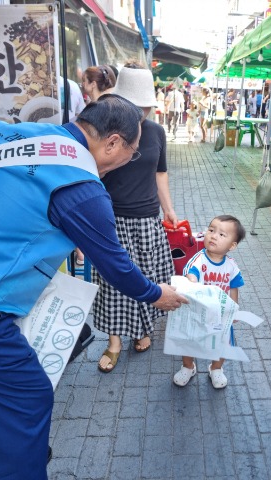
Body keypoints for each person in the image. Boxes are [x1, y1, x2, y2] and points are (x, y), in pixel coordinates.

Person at [0, 94, 188, 480]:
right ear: (112, 142)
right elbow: (117, 266)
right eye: (132, 151)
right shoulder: (81, 185)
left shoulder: (18, 133)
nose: (131, 159)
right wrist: (157, 295)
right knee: (24, 396)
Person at [92, 63, 179, 373]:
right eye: (136, 106)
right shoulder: (106, 133)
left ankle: (141, 330)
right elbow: (93, 176)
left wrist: (168, 207)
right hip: (111, 219)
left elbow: (161, 172)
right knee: (112, 282)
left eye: (146, 107)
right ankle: (114, 341)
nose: (141, 113)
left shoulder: (156, 131)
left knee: (145, 277)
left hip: (147, 219)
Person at [173, 215, 246, 389]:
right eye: (211, 230)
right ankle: (188, 366)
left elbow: (234, 287)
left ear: (232, 245)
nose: (213, 236)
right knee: (189, 341)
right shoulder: (199, 259)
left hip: (220, 314)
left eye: (222, 234)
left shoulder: (231, 266)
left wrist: (233, 310)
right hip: (198, 312)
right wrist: (191, 279)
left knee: (221, 343)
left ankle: (216, 368)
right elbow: (191, 274)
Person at [75, 65, 117, 265]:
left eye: (84, 81)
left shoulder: (96, 110)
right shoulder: (109, 105)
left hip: (99, 177)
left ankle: (84, 251)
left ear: (92, 84)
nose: (82, 85)